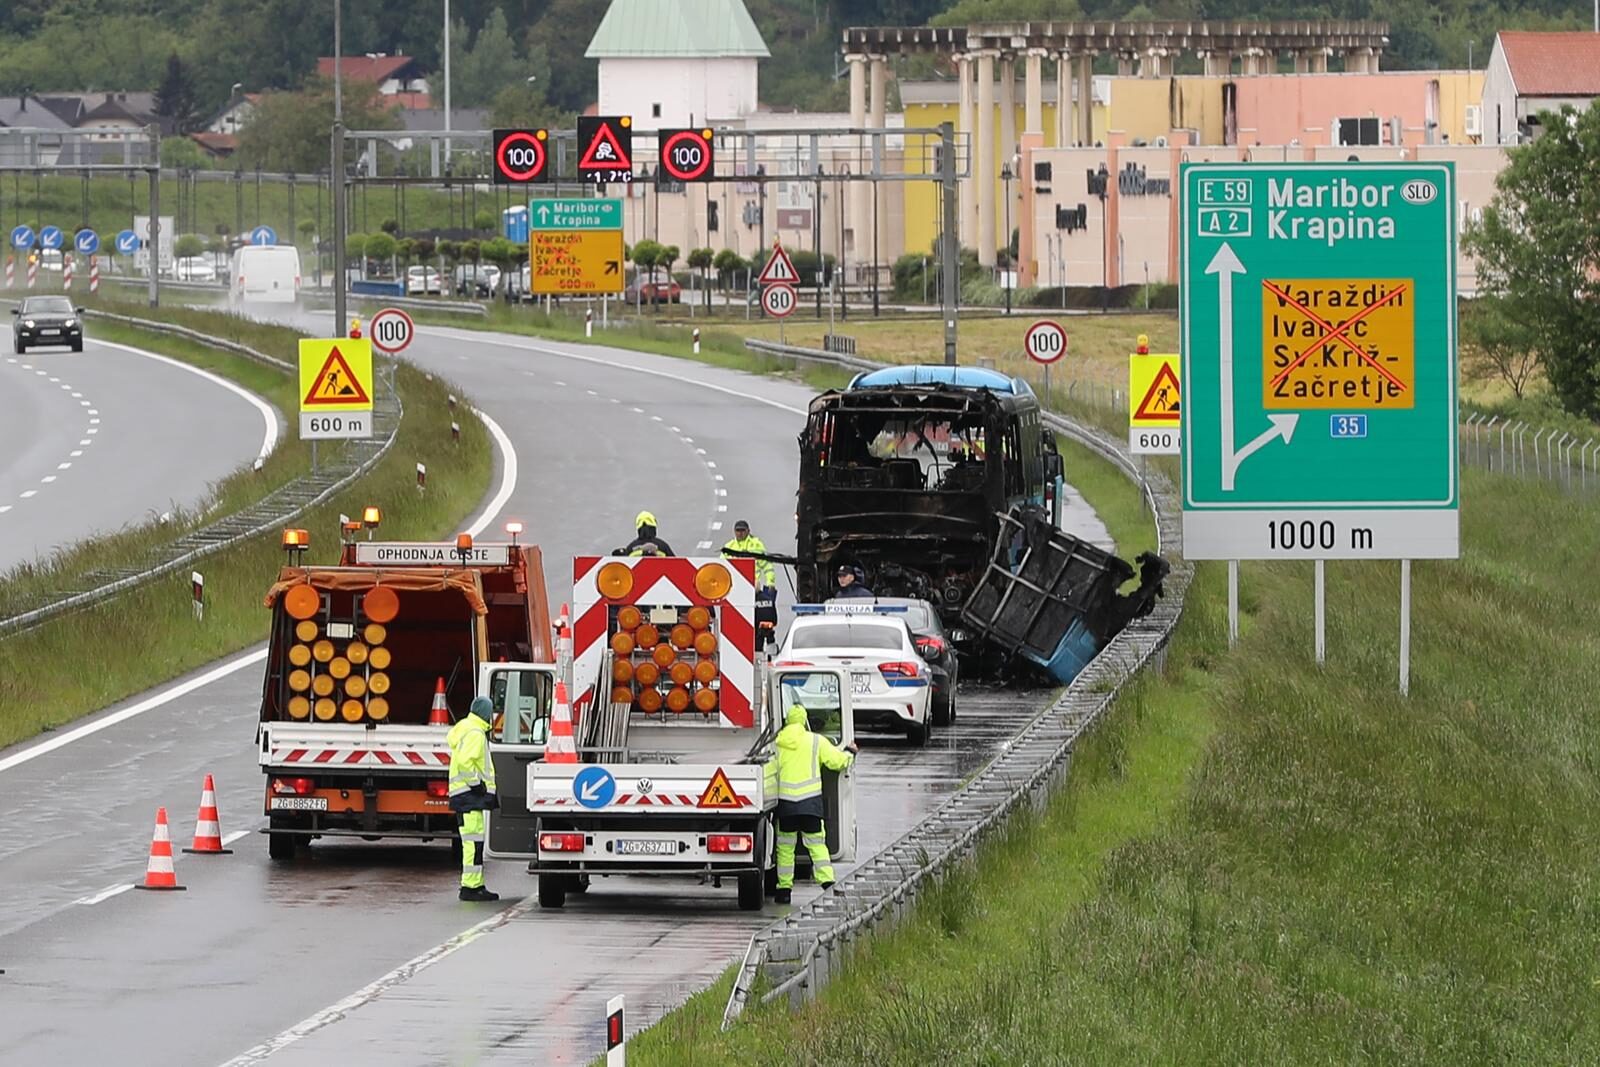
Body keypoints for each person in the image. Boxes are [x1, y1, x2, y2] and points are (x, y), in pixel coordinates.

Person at [772, 704, 858, 904]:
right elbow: (836, 762)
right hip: (810, 804)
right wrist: (850, 753)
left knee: (785, 848)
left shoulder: (778, 742)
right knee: (817, 845)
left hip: (786, 804)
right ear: (804, 720)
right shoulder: (815, 741)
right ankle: (827, 883)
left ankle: (784, 890)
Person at [447, 696, 500, 902]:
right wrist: (477, 785)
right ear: (486, 713)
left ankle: (475, 884)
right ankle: (470, 887)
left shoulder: (465, 728)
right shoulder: (476, 733)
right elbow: (466, 762)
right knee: (472, 843)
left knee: (473, 842)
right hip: (469, 796)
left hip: (464, 796)